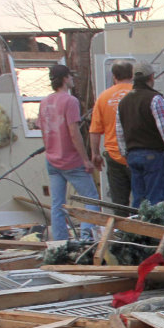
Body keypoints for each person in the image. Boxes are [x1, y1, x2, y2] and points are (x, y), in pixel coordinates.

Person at [40, 64, 100, 240]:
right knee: (91, 199)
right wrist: (85, 160)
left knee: (57, 204)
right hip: (71, 160)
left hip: (52, 159)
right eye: (70, 76)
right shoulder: (70, 101)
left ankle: (60, 242)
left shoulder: (45, 102)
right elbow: (74, 133)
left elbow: (44, 131)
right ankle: (87, 239)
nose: (73, 79)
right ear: (65, 79)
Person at [116, 63, 164, 207]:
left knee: (138, 201)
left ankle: (137, 228)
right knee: (156, 202)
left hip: (133, 156)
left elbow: (120, 132)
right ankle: (155, 229)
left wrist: (125, 154)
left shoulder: (123, 102)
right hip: (155, 156)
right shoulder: (155, 99)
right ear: (152, 77)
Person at [89, 61, 133, 211]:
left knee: (119, 203)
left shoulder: (103, 97)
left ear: (114, 76)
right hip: (137, 154)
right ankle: (144, 233)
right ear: (132, 74)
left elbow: (94, 131)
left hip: (114, 156)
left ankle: (122, 232)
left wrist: (95, 154)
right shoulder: (138, 94)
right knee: (143, 201)